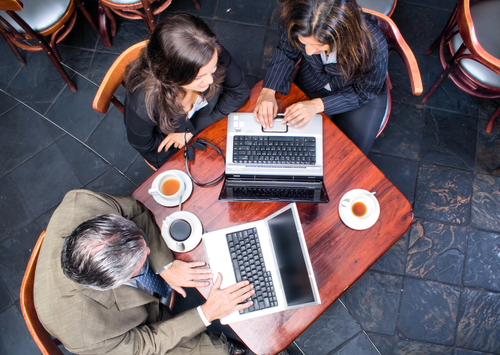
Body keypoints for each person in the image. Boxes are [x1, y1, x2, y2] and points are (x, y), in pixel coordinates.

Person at [33, 189, 253, 355]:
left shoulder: (81, 203)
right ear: (116, 283)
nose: (148, 250)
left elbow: (135, 211)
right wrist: (206, 314)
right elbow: (148, 344)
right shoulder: (86, 336)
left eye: (142, 242)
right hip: (137, 331)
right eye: (140, 263)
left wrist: (164, 265)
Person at [254, 0, 388, 154]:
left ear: (342, 35)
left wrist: (316, 106)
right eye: (303, 43)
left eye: (318, 45)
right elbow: (287, 50)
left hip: (357, 92)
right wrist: (268, 90)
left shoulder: (374, 46)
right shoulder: (294, 18)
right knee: (295, 145)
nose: (309, 52)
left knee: (347, 156)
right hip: (313, 78)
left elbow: (365, 92)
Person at [124, 13, 250, 169]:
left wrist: (192, 131)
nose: (210, 80)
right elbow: (146, 147)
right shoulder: (144, 104)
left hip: (205, 126)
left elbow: (240, 92)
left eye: (213, 69)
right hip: (173, 152)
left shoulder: (209, 53)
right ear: (170, 77)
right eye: (199, 77)